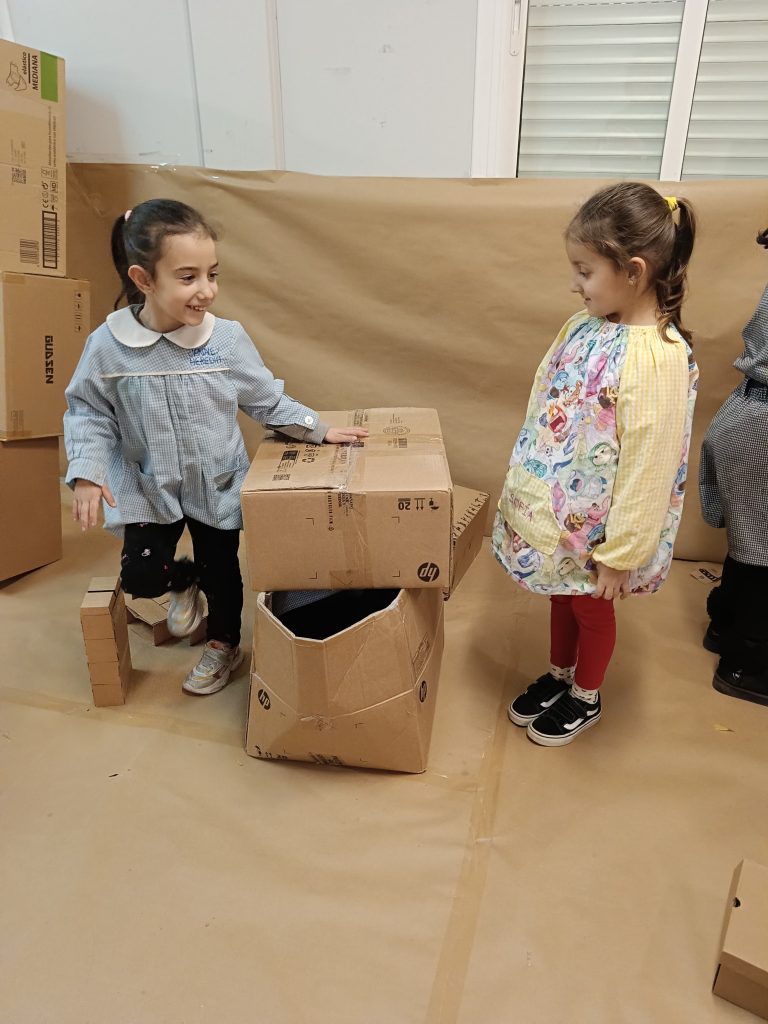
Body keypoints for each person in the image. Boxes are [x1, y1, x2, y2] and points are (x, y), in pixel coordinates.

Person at [64, 199, 367, 696]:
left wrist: (317, 428)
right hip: (145, 482)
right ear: (144, 279)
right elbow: (88, 412)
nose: (206, 290)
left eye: (212, 274)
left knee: (222, 573)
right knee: (142, 576)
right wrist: (86, 472)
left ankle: (224, 645)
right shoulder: (107, 346)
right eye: (188, 277)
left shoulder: (225, 340)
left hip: (215, 480)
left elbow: (264, 398)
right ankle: (183, 583)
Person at [492, 182, 699, 746]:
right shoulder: (584, 327)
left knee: (591, 607)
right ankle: (560, 675)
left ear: (633, 271)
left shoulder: (658, 359)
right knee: (560, 594)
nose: (575, 283)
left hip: (602, 533)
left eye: (585, 271)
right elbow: (546, 402)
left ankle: (586, 694)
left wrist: (622, 554)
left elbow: (651, 468)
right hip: (562, 513)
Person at [699, 226, 768, 707]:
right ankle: (748, 664)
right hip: (761, 428)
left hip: (747, 414)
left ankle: (726, 626)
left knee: (752, 544)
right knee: (762, 554)